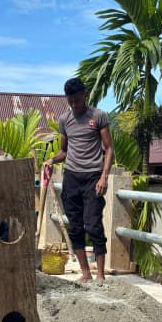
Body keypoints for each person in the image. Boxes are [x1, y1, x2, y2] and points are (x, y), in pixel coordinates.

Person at [43, 77, 115, 282]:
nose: (74, 105)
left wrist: (104, 177)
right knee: (74, 226)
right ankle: (85, 274)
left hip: (93, 176)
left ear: (85, 95)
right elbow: (64, 151)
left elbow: (109, 148)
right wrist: (51, 160)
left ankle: (100, 275)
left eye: (77, 100)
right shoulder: (65, 120)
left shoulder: (98, 116)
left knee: (93, 225)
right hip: (72, 177)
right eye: (70, 101)